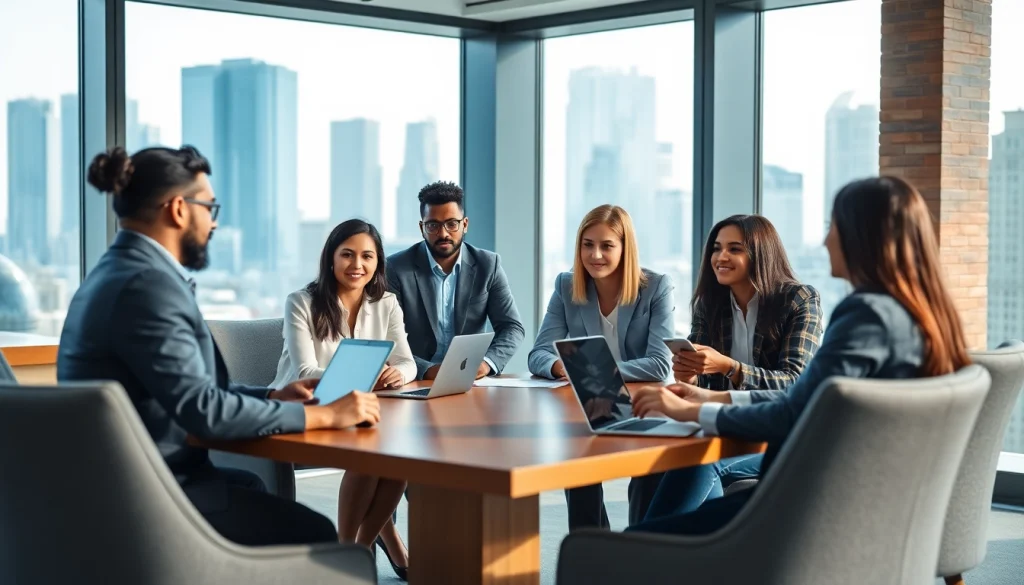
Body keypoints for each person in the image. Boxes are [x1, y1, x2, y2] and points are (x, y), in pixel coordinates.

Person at [58, 146, 381, 548]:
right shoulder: (148, 287)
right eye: (210, 207)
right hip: (150, 497)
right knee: (321, 538)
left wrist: (272, 395)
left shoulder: (118, 272)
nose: (213, 224)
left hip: (129, 479)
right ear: (178, 209)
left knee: (250, 485)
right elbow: (204, 411)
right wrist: (324, 416)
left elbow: (192, 391)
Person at [628, 176, 971, 536]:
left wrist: (694, 409)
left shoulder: (864, 315)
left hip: (812, 498)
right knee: (674, 513)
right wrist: (711, 395)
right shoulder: (915, 315)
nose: (825, 241)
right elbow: (811, 399)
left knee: (622, 548)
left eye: (832, 227)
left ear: (863, 236)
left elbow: (795, 408)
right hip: (856, 487)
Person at [648, 214, 824, 517]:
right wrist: (689, 377)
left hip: (779, 432)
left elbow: (794, 383)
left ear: (761, 254)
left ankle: (642, 548)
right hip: (722, 424)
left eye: (735, 249)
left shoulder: (798, 300)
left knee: (702, 463)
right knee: (652, 464)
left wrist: (731, 367)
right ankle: (689, 554)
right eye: (716, 248)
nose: (721, 257)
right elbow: (704, 386)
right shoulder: (710, 303)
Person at [272, 219, 413, 578]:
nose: (357, 265)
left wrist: (400, 373)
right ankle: (350, 546)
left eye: (367, 256)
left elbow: (407, 361)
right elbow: (305, 371)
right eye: (347, 255)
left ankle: (356, 550)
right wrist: (361, 378)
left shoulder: (386, 303)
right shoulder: (301, 302)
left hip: (360, 410)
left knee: (396, 453)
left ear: (378, 262)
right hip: (307, 410)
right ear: (330, 259)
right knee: (372, 453)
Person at [528, 204, 674, 531]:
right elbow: (538, 353)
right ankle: (591, 548)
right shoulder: (567, 286)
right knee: (577, 462)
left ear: (625, 249)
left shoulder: (656, 287)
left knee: (647, 479)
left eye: (607, 246)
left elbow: (660, 364)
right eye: (587, 244)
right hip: (590, 404)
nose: (595, 255)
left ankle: (641, 549)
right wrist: (557, 366)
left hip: (644, 403)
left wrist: (593, 369)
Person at [386, 181, 525, 381]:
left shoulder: (488, 265)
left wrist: (486, 364)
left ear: (465, 224)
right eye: (433, 225)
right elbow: (389, 338)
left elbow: (512, 328)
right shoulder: (396, 268)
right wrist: (429, 370)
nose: (443, 233)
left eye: (452, 224)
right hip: (417, 380)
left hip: (471, 380)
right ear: (421, 227)